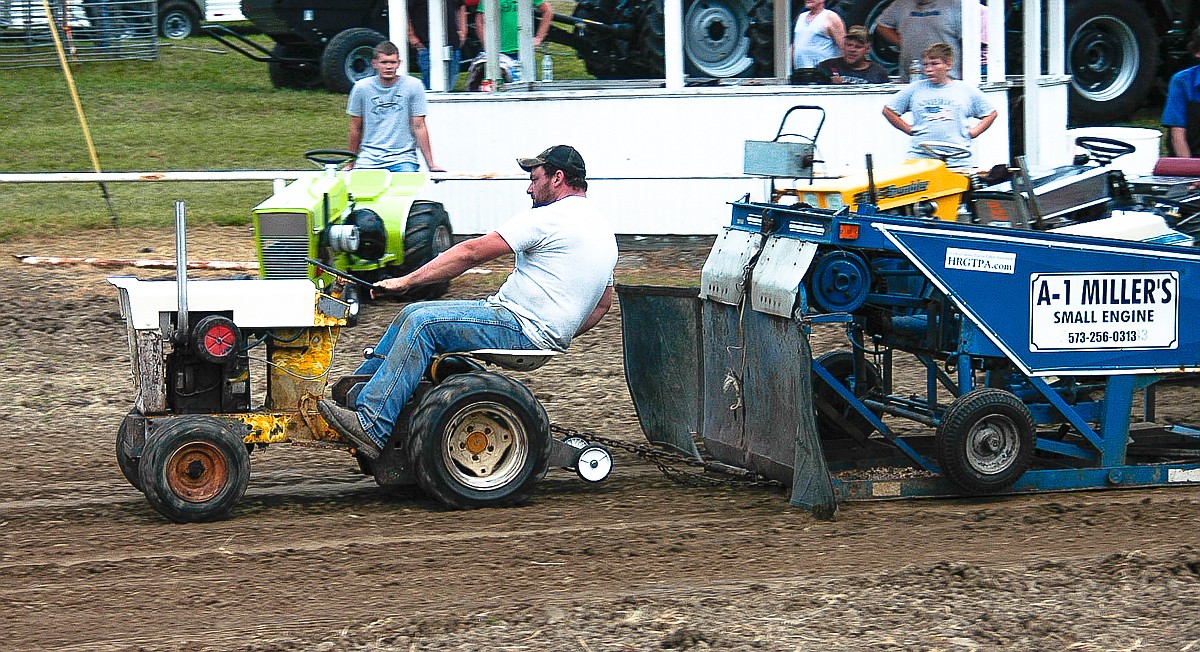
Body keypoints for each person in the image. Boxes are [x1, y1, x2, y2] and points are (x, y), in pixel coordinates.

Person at [318, 145, 618, 459]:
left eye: (534, 178)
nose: (529, 188)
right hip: (534, 329)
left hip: (518, 324)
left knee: (423, 324)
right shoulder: (603, 231)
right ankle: (359, 394)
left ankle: (372, 424)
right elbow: (602, 305)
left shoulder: (550, 218)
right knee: (414, 312)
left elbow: (470, 253)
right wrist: (561, 332)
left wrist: (405, 281)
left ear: (557, 178)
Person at [882, 42, 997, 167]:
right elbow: (888, 110)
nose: (929, 69)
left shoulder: (965, 89)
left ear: (948, 65)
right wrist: (909, 129)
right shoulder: (915, 89)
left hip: (958, 156)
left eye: (934, 64)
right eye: (925, 65)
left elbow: (991, 113)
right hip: (922, 154)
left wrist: (975, 131)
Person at [346, 41, 444, 172]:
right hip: (369, 158)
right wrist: (350, 163)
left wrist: (431, 165)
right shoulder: (361, 88)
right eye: (384, 62)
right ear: (375, 63)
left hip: (403, 158)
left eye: (392, 62)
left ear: (399, 63)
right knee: (360, 190)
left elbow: (419, 126)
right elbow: (356, 127)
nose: (388, 67)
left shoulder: (413, 85)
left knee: (405, 186)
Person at [876, 0, 962, 83]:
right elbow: (882, 26)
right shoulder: (901, 4)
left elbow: (969, 42)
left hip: (947, 78)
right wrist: (904, 43)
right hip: (911, 77)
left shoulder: (956, 5)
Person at [475, 0, 553, 80]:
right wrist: (488, 46)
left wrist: (539, 37)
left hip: (524, 54)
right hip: (499, 54)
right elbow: (479, 21)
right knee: (497, 86)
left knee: (526, 85)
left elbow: (547, 10)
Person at [407, 0, 469, 91]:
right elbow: (404, 11)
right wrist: (412, 36)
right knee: (431, 87)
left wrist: (463, 31)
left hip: (452, 43)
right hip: (426, 45)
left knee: (450, 85)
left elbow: (461, 7)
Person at [1163, 28, 1200, 157]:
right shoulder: (1181, 81)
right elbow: (1177, 135)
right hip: (1188, 161)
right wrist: (1191, 173)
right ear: (1197, 53)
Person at [817, 25, 888, 84]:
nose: (852, 50)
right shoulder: (826, 67)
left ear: (867, 49)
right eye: (849, 45)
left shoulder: (877, 71)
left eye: (858, 47)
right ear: (843, 46)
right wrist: (830, 84)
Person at [792, 0, 844, 69]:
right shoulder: (801, 17)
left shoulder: (831, 17)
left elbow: (843, 47)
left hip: (823, 74)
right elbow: (795, 44)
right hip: (800, 72)